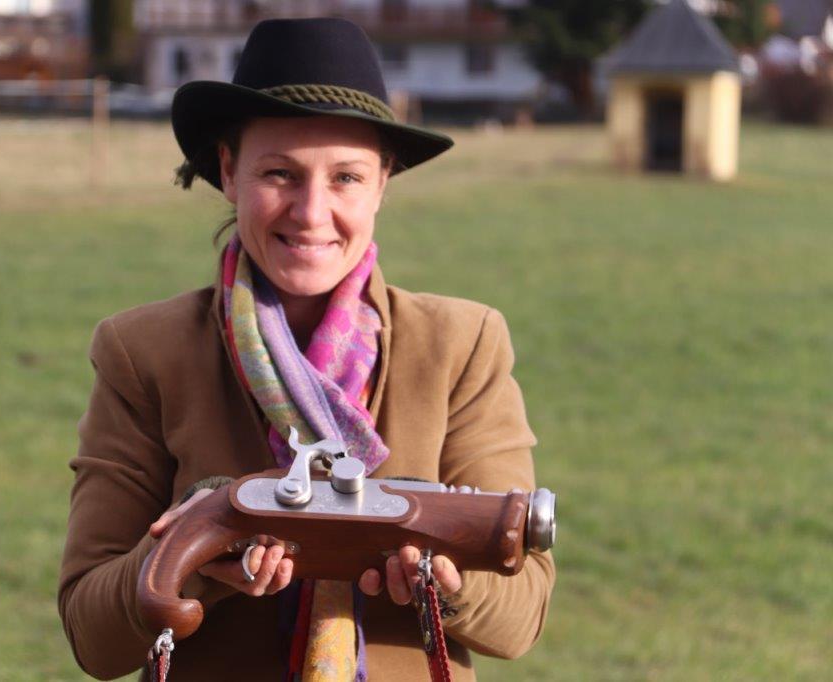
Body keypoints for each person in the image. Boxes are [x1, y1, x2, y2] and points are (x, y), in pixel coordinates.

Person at [58, 17, 554, 682]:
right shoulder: (142, 352)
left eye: (345, 177)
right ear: (230, 171)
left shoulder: (461, 344)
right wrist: (195, 561)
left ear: (383, 183)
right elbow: (93, 636)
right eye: (280, 173)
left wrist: (446, 581)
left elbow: (520, 618)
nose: (311, 211)